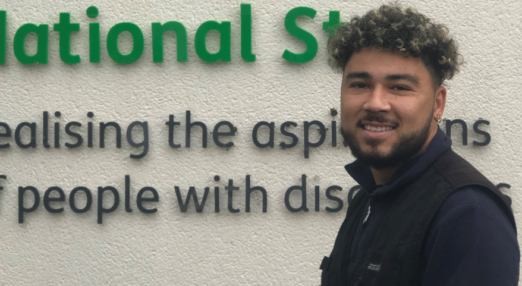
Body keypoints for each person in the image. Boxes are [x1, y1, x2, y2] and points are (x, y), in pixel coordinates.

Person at [319, 4, 519, 286]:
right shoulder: (371, 197)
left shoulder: (468, 214)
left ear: (438, 103)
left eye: (399, 87)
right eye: (360, 84)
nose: (375, 102)